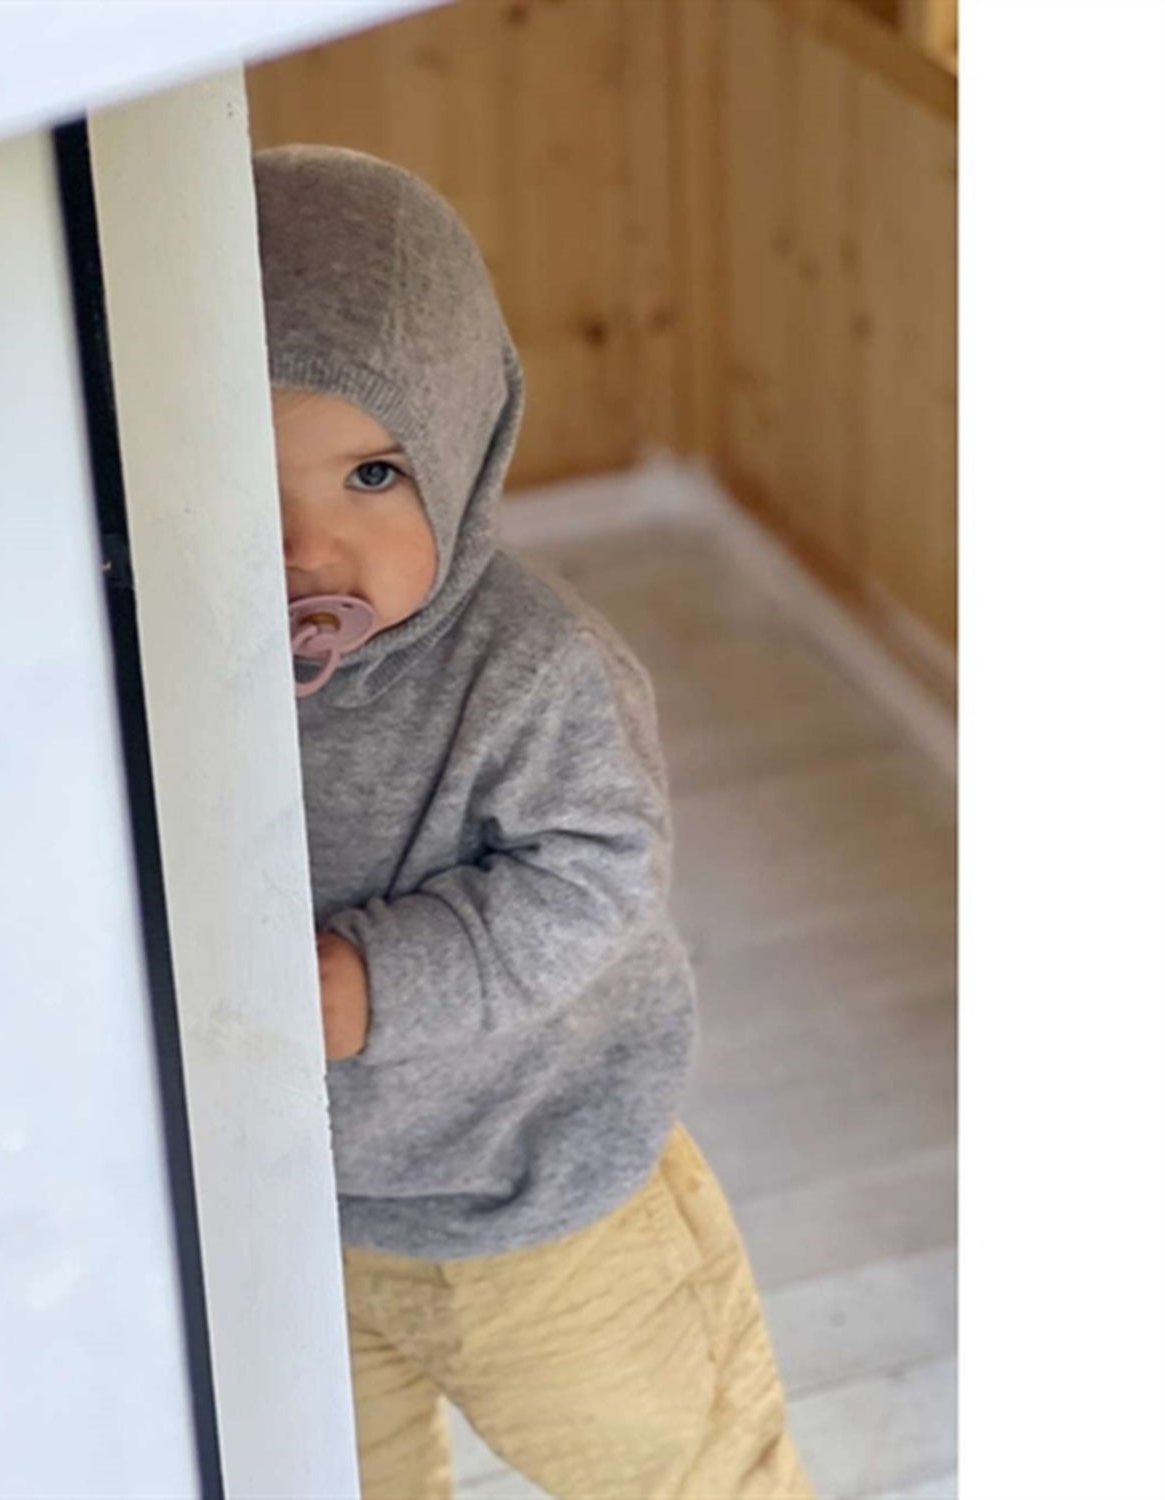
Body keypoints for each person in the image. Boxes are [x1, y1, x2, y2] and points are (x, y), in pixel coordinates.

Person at [254, 143, 814, 1500]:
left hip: (548, 1200)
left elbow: (599, 872)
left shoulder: (531, 671)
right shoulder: (169, 668)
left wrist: (382, 976)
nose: (305, 548)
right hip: (296, 1214)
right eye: (244, 477)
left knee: (689, 1473)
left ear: (464, 448)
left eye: (372, 476)